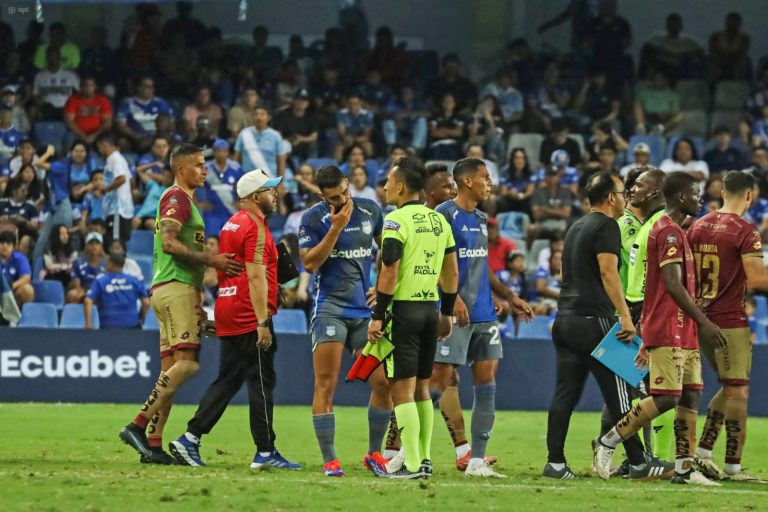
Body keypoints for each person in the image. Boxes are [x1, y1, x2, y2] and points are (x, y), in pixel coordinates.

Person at [594, 172, 726, 486]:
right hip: (668, 326)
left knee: (691, 396)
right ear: (681, 197)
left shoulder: (674, 230)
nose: (700, 199)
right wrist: (705, 323)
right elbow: (670, 285)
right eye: (695, 193)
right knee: (666, 397)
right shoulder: (666, 232)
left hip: (684, 327)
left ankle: (683, 470)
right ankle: (609, 441)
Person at [118, 143, 242, 465]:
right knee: (188, 364)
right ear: (180, 168)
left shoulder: (182, 200)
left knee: (171, 370)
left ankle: (154, 445)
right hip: (176, 287)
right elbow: (169, 243)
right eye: (199, 165)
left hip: (168, 288)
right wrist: (212, 260)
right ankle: (137, 424)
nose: (204, 170)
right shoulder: (177, 198)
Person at [170, 169, 300, 469]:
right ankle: (266, 452)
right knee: (262, 382)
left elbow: (241, 270)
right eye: (270, 190)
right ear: (255, 196)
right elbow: (254, 275)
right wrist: (262, 321)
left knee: (229, 379)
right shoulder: (254, 226)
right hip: (248, 313)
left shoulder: (231, 224)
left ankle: (189, 439)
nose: (275, 194)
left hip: (229, 305)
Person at [544, 171, 663, 480]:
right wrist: (624, 316)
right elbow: (609, 272)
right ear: (611, 198)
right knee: (621, 393)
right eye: (623, 193)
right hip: (594, 321)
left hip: (565, 319)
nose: (625, 198)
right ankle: (638, 460)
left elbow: (564, 273)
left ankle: (555, 463)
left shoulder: (576, 226)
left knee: (564, 395)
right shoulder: (607, 225)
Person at [426, 157, 533, 478]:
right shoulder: (444, 215)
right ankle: (404, 450)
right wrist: (452, 296)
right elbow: (431, 261)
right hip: (454, 314)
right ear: (468, 181)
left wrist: (509, 296)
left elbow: (481, 266)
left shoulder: (482, 218)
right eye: (485, 177)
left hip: (484, 313)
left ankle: (476, 461)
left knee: (487, 383)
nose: (490, 183)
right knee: (437, 383)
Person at [367, 156, 458, 479]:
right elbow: (451, 273)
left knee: (400, 390)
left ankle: (412, 463)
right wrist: (446, 312)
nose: (386, 187)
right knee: (421, 388)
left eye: (389, 182)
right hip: (429, 311)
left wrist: (378, 316)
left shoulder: (395, 221)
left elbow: (389, 269)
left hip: (403, 312)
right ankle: (425, 458)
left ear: (402, 186)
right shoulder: (439, 222)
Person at [298, 165, 388, 477]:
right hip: (330, 310)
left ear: (348, 183)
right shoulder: (314, 218)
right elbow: (309, 263)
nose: (341, 200)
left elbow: (387, 251)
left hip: (365, 313)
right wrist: (336, 228)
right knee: (326, 384)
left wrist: (382, 284)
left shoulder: (370, 209)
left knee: (383, 383)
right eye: (333, 198)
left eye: (344, 193)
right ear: (322, 196)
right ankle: (330, 460)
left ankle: (374, 454)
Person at [688, 171, 768, 482]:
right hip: (729, 320)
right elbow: (758, 279)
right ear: (750, 195)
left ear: (722, 191)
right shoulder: (746, 230)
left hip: (700, 317)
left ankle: (704, 452)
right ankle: (733, 466)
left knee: (729, 386)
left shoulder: (698, 225)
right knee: (738, 390)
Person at [85, 250, 149, 329]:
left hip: (108, 327)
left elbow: (88, 300)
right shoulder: (134, 281)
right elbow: (146, 303)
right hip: (132, 327)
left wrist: (88, 323)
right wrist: (142, 319)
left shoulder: (101, 281)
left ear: (110, 264)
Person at [116, 76, 174, 152]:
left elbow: (171, 122)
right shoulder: (127, 103)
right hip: (136, 137)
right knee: (122, 142)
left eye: (152, 86)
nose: (150, 89)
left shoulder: (160, 102)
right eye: (147, 86)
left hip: (158, 136)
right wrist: (136, 136)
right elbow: (121, 125)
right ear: (138, 87)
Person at [96, 133, 134, 245]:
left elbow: (121, 179)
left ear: (105, 145)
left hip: (118, 208)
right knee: (117, 242)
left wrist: (106, 189)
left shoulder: (114, 158)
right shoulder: (119, 159)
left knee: (115, 243)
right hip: (121, 207)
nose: (99, 150)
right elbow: (131, 181)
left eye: (100, 147)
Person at [234, 107, 287, 178]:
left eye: (262, 114)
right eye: (256, 114)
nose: (258, 117)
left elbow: (281, 161)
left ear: (268, 118)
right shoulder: (244, 134)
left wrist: (281, 182)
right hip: (247, 180)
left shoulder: (275, 136)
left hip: (269, 180)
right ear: (252, 117)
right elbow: (236, 158)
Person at [33, 46, 80, 120]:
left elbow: (81, 93)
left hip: (65, 109)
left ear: (59, 57)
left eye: (54, 56)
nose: (52, 59)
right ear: (46, 58)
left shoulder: (70, 75)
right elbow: (35, 95)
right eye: (49, 57)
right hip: (46, 110)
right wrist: (38, 108)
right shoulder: (39, 76)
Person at [63, 76, 113, 145]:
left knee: (109, 140)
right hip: (77, 133)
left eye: (91, 85)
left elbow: (107, 122)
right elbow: (69, 121)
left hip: (98, 133)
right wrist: (82, 136)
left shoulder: (102, 100)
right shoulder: (72, 100)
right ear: (80, 87)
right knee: (68, 138)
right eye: (85, 85)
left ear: (95, 87)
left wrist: (94, 136)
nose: (88, 88)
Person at [272, 89, 318, 161]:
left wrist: (300, 139)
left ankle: (309, 166)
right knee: (283, 145)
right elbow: (277, 136)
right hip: (287, 143)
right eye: (299, 100)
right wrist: (290, 139)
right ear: (294, 101)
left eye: (305, 100)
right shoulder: (282, 114)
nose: (302, 103)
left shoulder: (311, 116)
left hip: (304, 144)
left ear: (308, 103)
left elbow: (314, 136)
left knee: (313, 145)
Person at [634, 69, 682, 135]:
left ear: (666, 80)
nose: (658, 81)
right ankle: (641, 127)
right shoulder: (644, 92)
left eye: (660, 79)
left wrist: (666, 113)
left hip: (665, 118)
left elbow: (675, 111)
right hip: (648, 116)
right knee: (637, 106)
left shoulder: (673, 95)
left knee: (680, 116)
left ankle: (660, 129)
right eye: (656, 79)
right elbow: (638, 106)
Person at [67, 231, 105, 304]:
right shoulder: (77, 262)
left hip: (100, 293)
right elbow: (76, 283)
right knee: (72, 294)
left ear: (101, 247)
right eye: (91, 243)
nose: (94, 246)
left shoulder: (107, 264)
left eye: (97, 243)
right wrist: (85, 293)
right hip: (82, 292)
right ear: (86, 246)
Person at [335, 93, 374, 160]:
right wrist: (347, 138)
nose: (353, 106)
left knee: (368, 146)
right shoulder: (341, 114)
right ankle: (339, 167)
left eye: (356, 103)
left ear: (360, 103)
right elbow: (342, 133)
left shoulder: (367, 115)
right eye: (350, 103)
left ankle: (368, 165)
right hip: (347, 139)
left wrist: (355, 139)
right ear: (347, 104)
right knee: (339, 149)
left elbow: (367, 135)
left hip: (361, 139)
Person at [0, 231, 34, 306]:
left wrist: (11, 286)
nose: (4, 247)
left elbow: (26, 277)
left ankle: (21, 315)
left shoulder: (20, 259)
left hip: (13, 290)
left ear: (14, 247)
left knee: (27, 290)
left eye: (8, 244)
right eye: (2, 243)